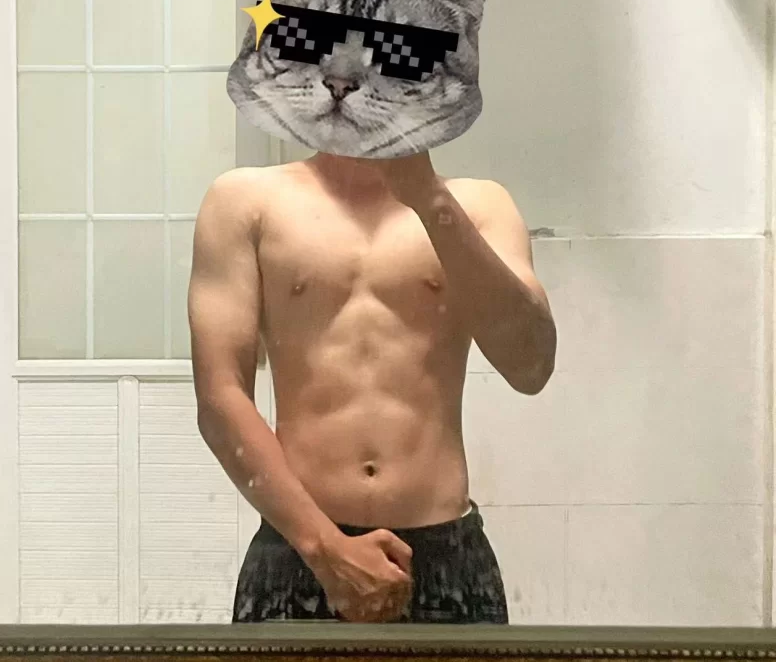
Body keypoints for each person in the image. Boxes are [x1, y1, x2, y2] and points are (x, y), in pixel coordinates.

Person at [187, 150, 556, 624]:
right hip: (300, 549)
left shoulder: (481, 204)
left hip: (444, 554)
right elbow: (221, 398)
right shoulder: (246, 201)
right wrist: (325, 548)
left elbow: (530, 367)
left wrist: (430, 199)